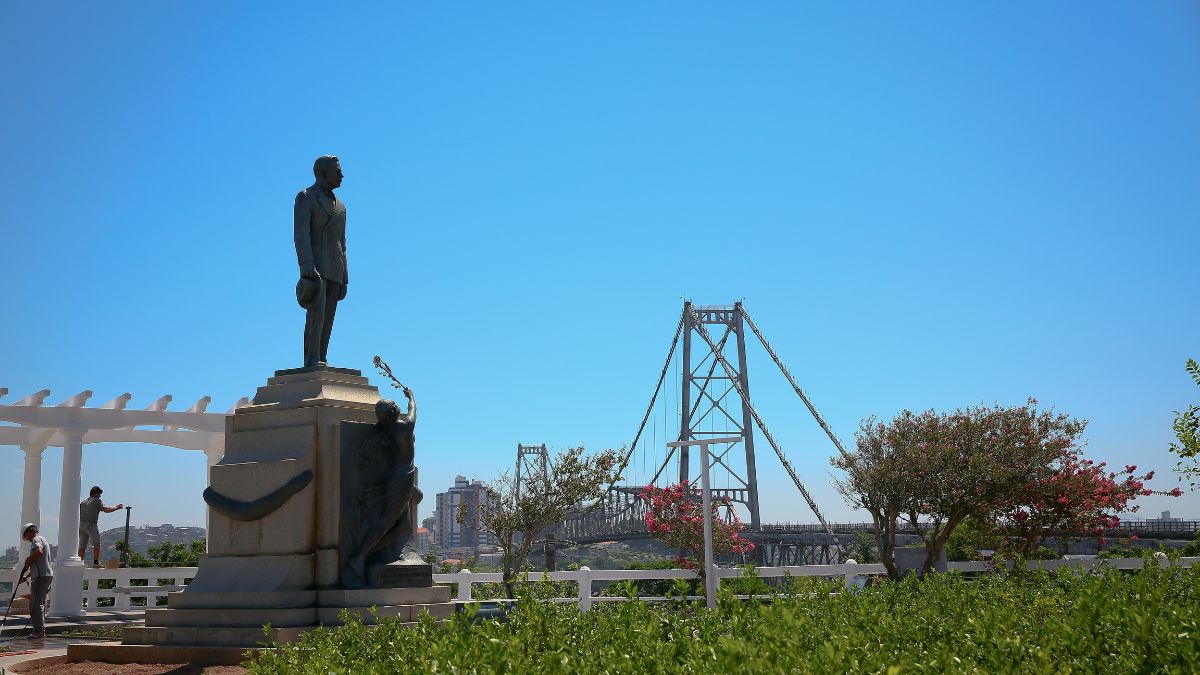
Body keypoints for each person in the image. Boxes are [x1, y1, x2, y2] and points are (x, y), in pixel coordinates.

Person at [294, 155, 348, 367]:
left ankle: (322, 356)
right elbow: (301, 234)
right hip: (316, 267)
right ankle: (312, 358)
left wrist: (345, 276)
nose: (342, 174)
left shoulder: (341, 206)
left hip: (335, 267)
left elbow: (343, 243)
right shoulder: (306, 197)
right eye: (337, 170)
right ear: (323, 173)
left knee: (329, 318)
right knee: (316, 316)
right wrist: (306, 264)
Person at [20, 523, 53, 639]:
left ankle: (39, 632)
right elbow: (39, 564)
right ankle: (39, 630)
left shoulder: (36, 539)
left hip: (41, 577)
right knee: (37, 603)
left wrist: (28, 559)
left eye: (26, 536)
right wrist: (27, 576)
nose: (28, 539)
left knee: (36, 603)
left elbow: (39, 551)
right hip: (45, 575)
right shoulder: (43, 539)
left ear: (29, 532)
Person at [78, 485, 123, 567]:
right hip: (91, 525)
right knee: (96, 544)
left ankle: (79, 562)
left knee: (82, 545)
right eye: (99, 494)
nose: (100, 495)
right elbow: (106, 509)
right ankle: (96, 563)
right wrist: (117, 508)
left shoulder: (83, 503)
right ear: (95, 493)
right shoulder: (97, 501)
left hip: (81, 526)